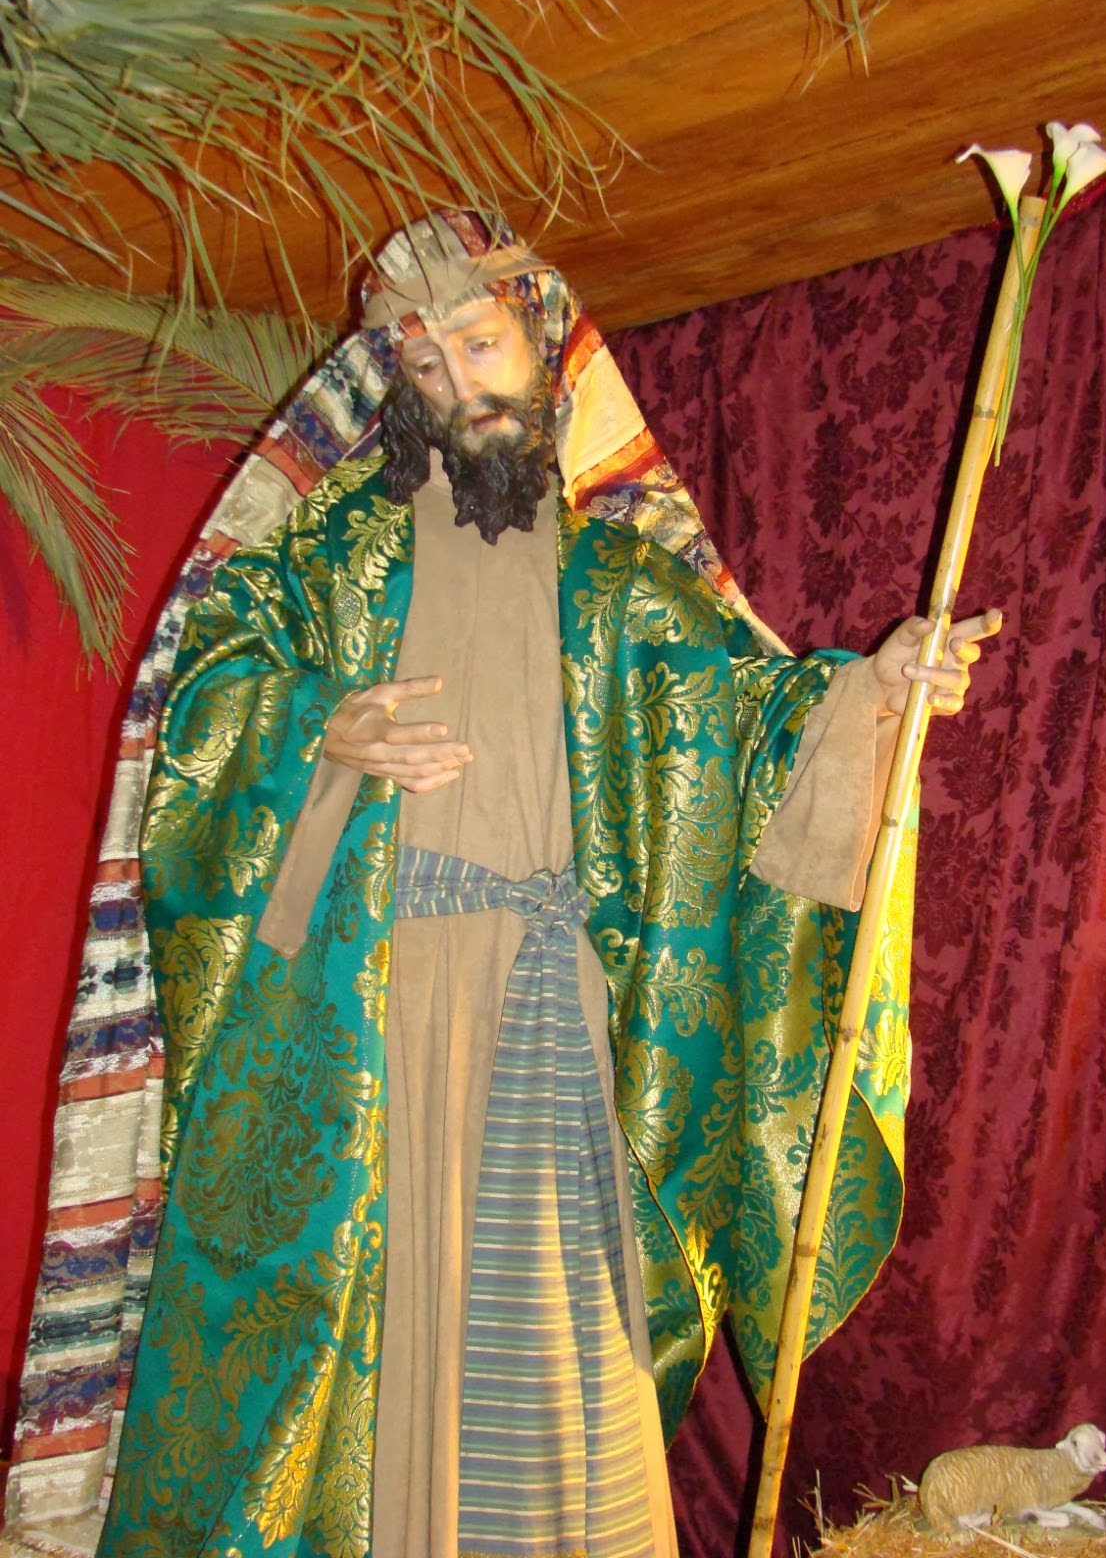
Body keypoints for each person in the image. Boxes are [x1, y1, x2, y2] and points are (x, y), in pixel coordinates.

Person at [94, 210, 998, 1558]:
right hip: (374, 1012)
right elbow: (208, 711)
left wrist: (878, 690)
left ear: (546, 341)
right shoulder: (324, 564)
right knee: (380, 1342)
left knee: (567, 1370)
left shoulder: (624, 583)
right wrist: (319, 731)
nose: (462, 384)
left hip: (553, 1013)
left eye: (481, 345)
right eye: (427, 362)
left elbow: (751, 728)